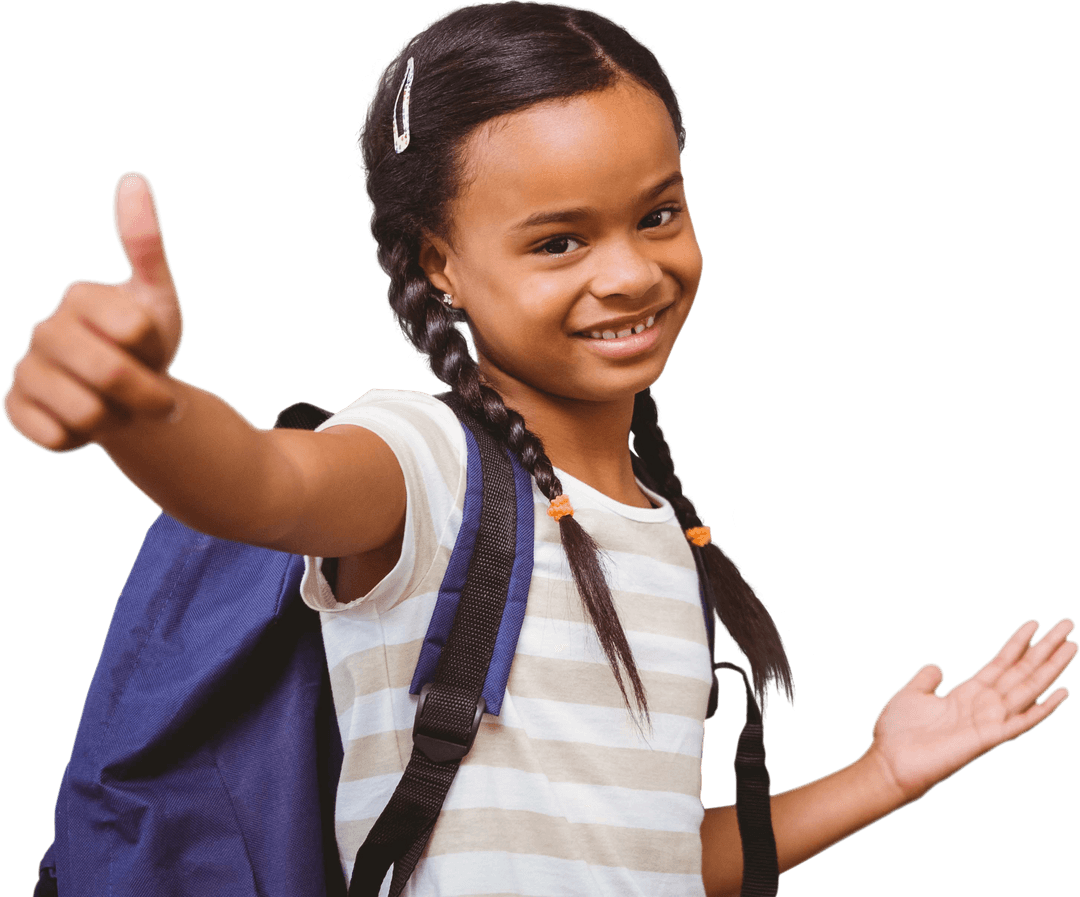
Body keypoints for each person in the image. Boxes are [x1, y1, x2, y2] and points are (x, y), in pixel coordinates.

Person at [4, 3, 1075, 895]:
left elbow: (652, 862)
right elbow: (263, 487)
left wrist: (884, 775)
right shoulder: (425, 461)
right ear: (442, 267)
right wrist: (141, 410)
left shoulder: (663, 532)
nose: (630, 273)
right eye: (559, 241)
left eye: (659, 214)